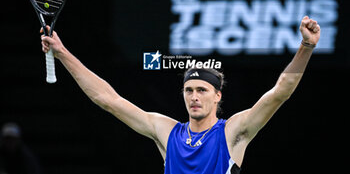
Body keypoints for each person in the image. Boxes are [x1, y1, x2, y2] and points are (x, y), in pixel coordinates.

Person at [40, 16, 320, 173]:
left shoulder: (233, 131)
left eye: (201, 90)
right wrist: (62, 52)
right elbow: (108, 99)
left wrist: (305, 47)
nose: (194, 96)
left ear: (217, 96)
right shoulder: (167, 131)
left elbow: (279, 92)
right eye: (189, 90)